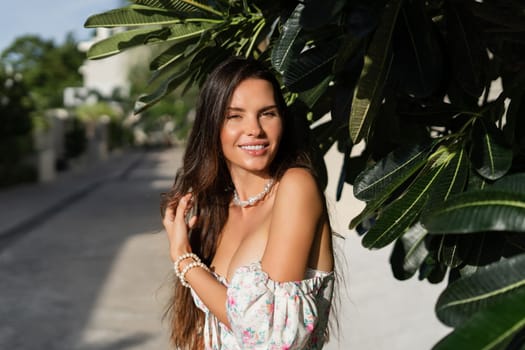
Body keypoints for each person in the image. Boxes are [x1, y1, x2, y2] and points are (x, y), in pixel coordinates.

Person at [161, 56, 335, 350]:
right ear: (213, 126)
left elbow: (268, 337)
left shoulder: (295, 187)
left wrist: (183, 258)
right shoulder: (218, 209)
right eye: (235, 116)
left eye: (267, 113)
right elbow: (205, 334)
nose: (254, 129)